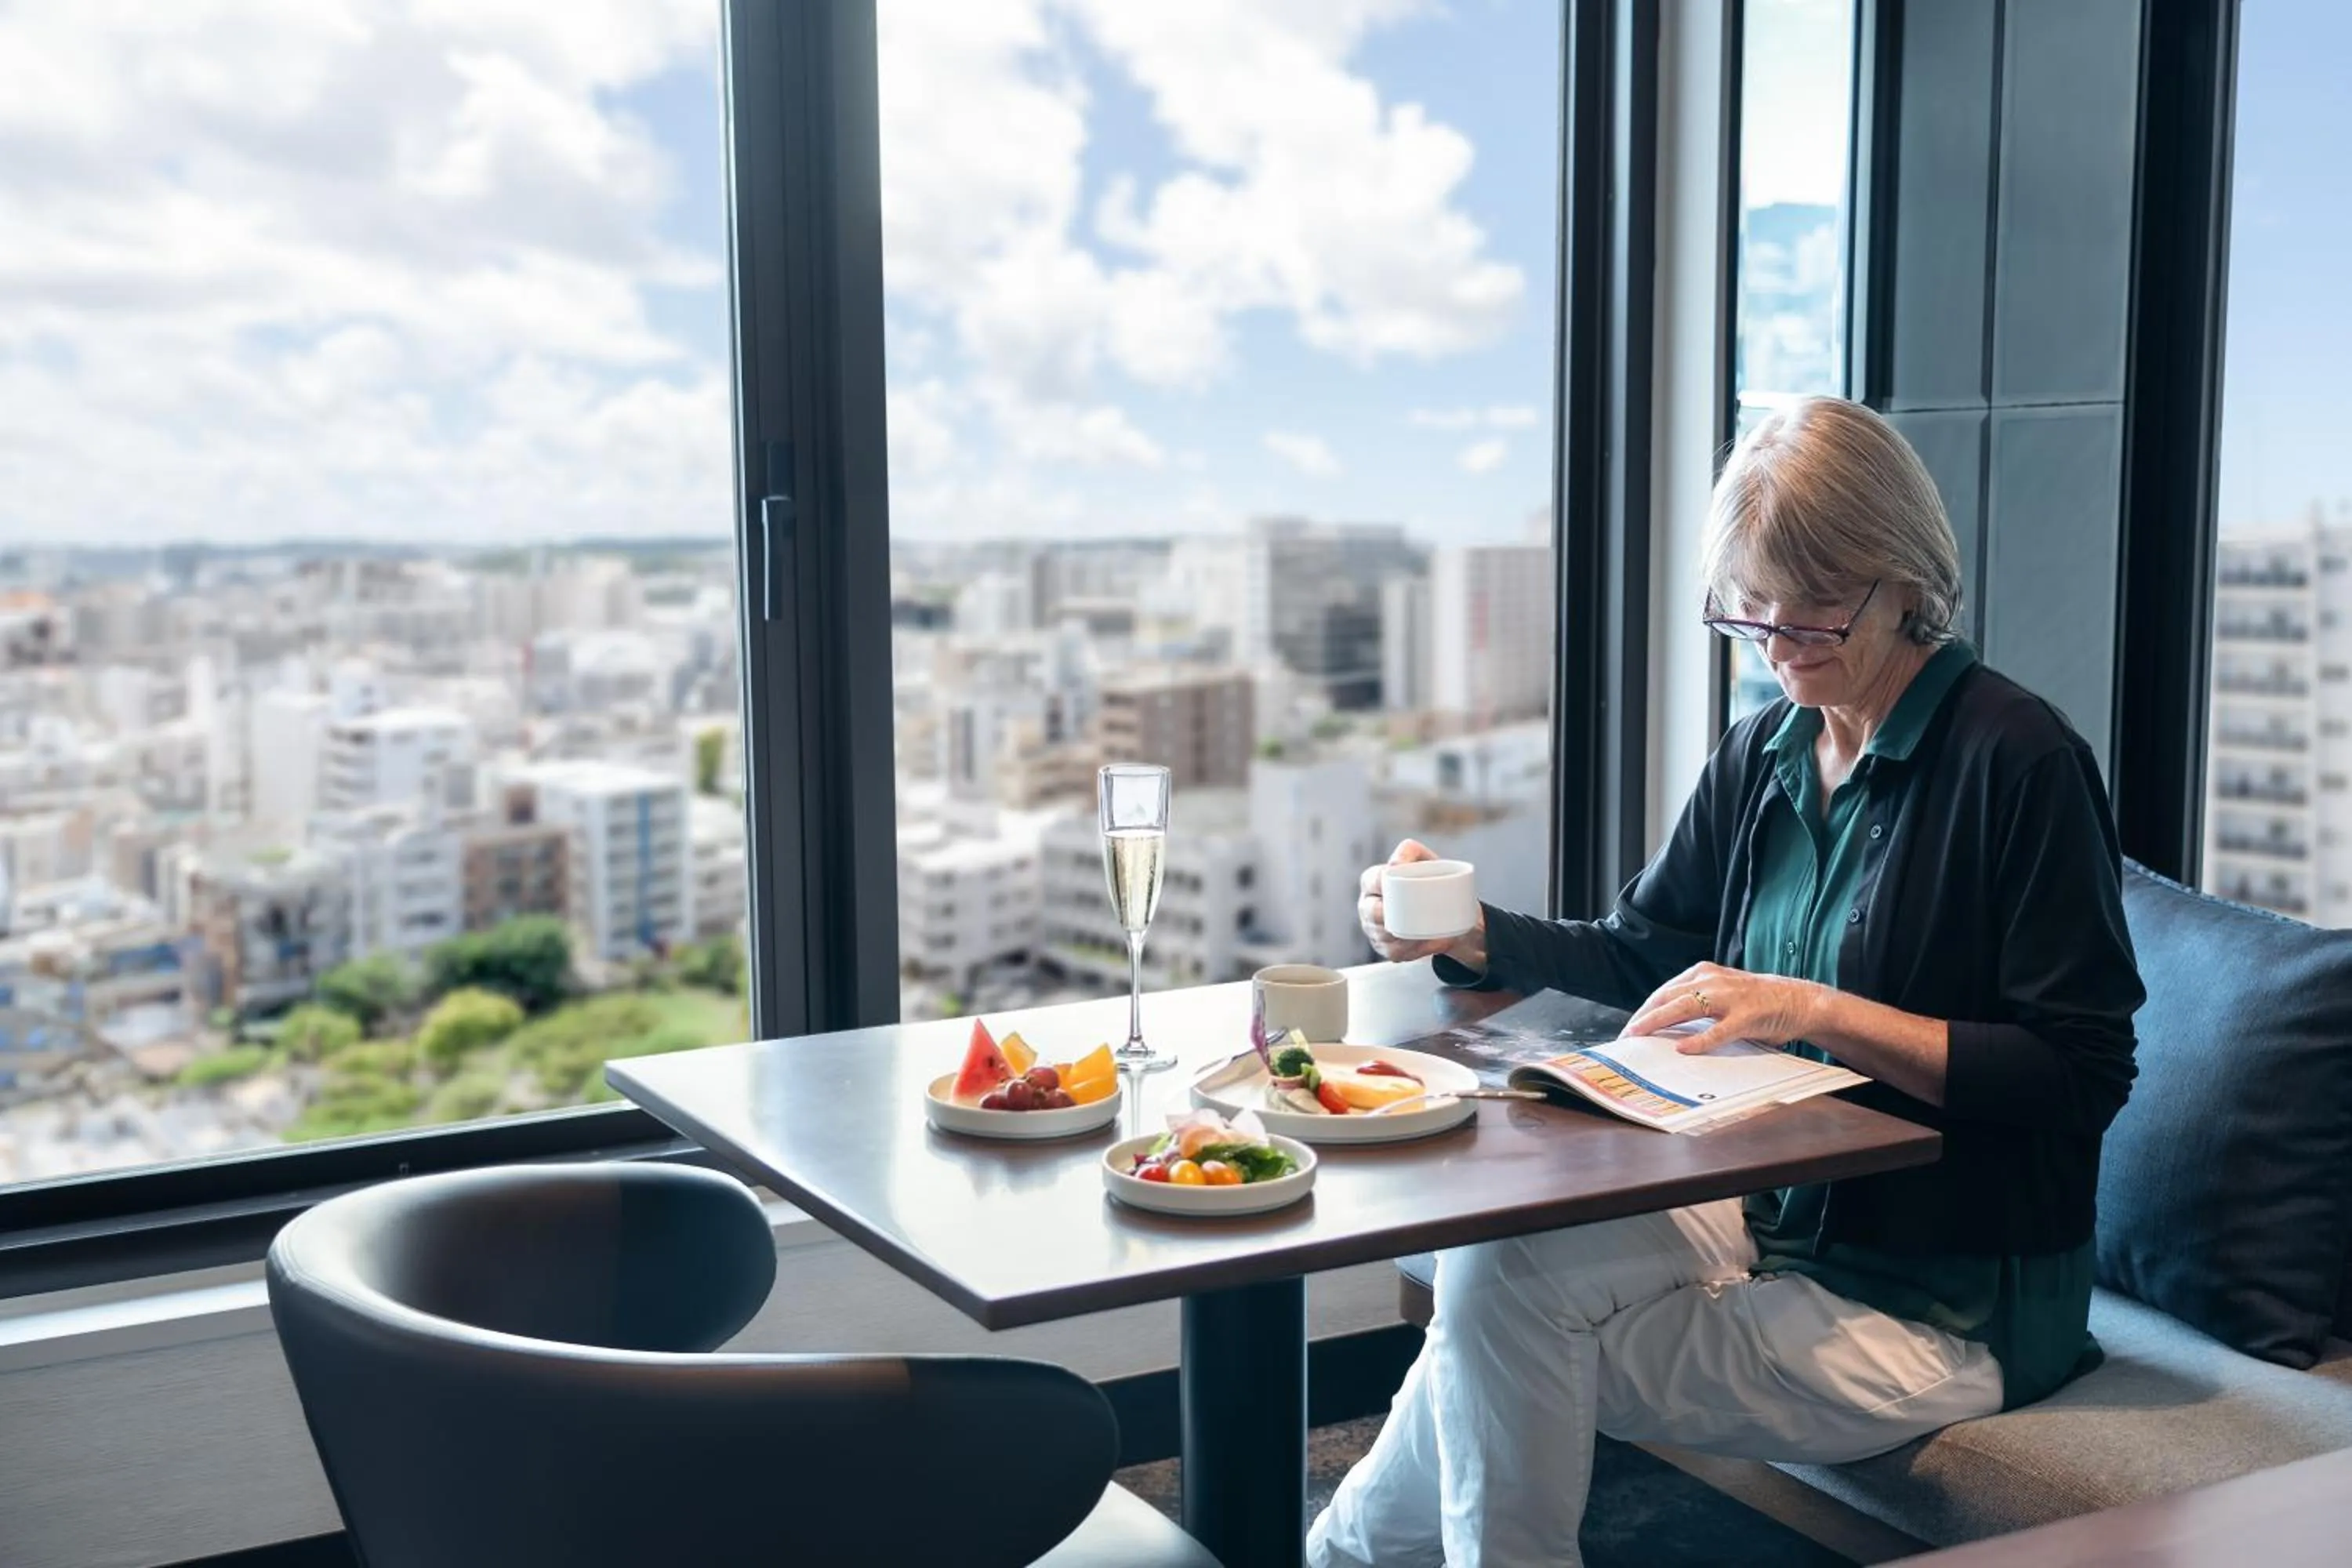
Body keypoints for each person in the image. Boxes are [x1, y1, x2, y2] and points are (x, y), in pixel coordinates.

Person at [1308, 395, 2144, 1568]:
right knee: (1495, 1264)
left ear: (1907, 581)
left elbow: (2081, 1073)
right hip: (1760, 1210)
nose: (1782, 644)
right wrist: (1472, 935)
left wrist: (1814, 1011)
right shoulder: (1767, 752)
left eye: (1815, 611)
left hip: (1941, 1293)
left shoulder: (2019, 762)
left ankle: (1343, 1557)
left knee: (1501, 1345)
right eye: (1753, 612)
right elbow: (1644, 954)